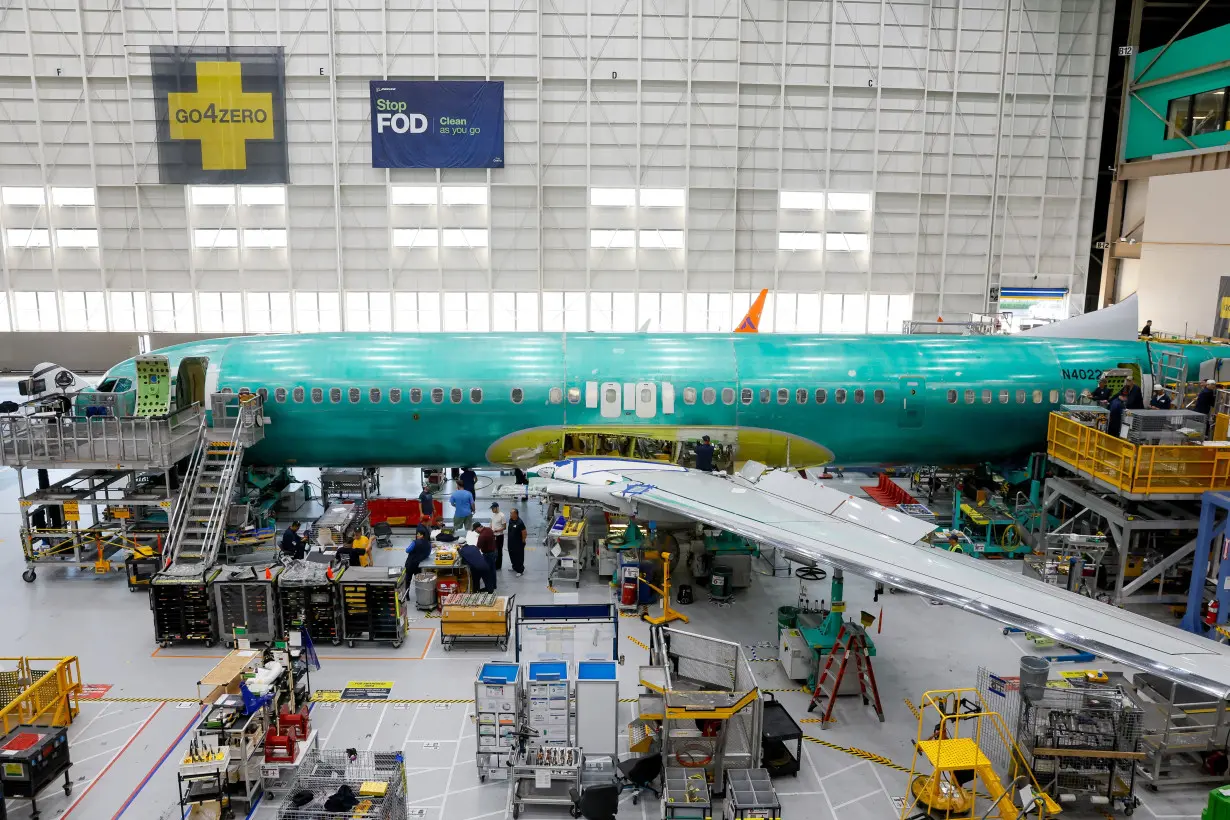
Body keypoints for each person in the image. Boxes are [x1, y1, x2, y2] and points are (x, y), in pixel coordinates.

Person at [506, 509, 527, 576]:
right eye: (510, 513)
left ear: (516, 514)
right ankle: (514, 567)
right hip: (511, 542)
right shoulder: (510, 520)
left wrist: (523, 541)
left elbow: (524, 532)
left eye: (511, 513)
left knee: (519, 556)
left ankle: (520, 570)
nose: (510, 515)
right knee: (512, 554)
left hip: (518, 543)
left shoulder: (520, 522)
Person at [489, 503, 507, 570]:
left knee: (499, 551)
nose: (492, 510)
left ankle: (498, 565)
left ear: (497, 508)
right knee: (493, 550)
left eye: (493, 508)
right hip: (493, 535)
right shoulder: (493, 515)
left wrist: (497, 530)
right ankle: (494, 563)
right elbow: (491, 522)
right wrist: (490, 527)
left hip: (499, 536)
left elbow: (504, 527)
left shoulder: (502, 516)